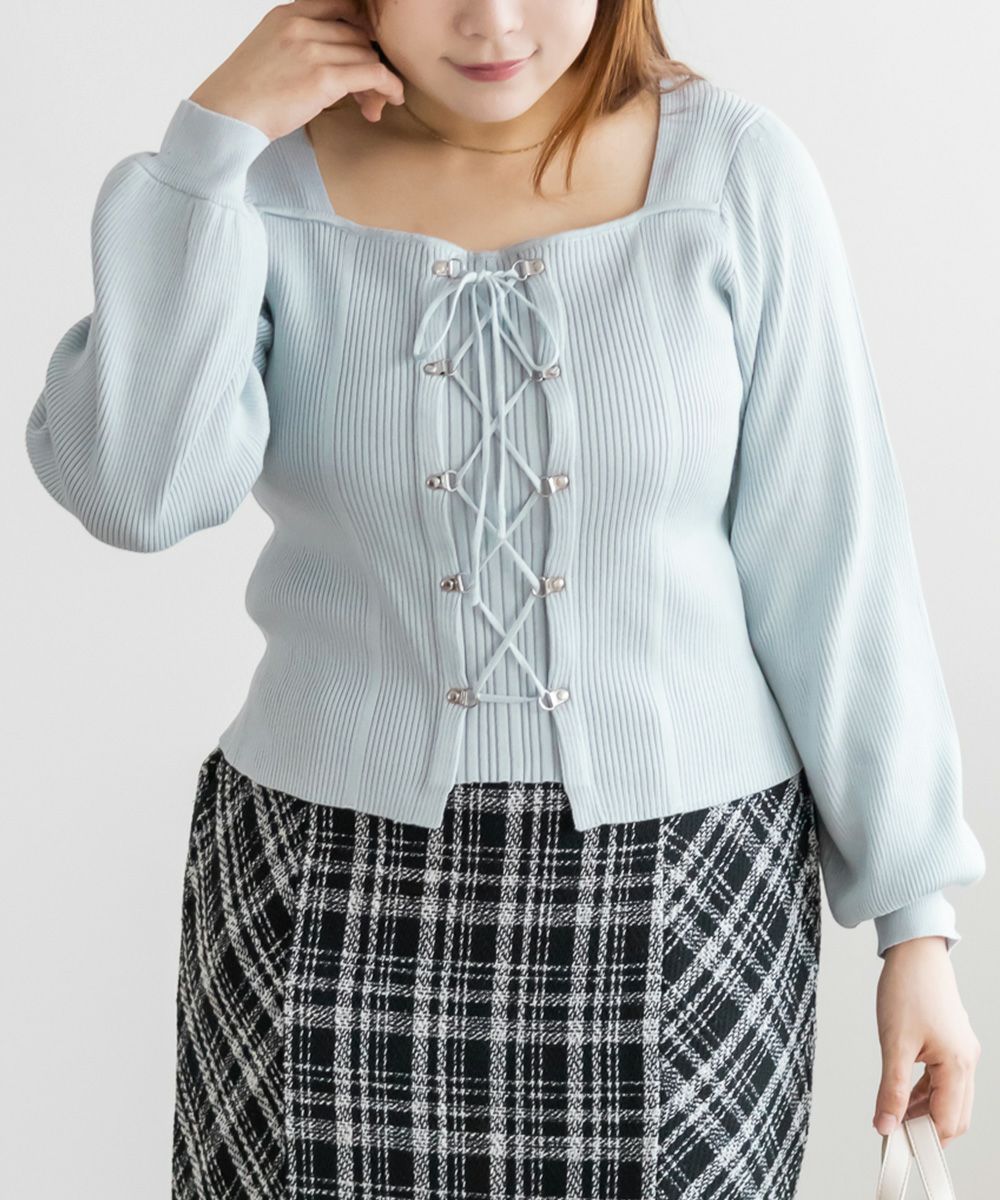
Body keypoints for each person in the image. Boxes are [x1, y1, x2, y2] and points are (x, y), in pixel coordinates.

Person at [24, 1, 986, 1196]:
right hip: (320, 892)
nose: (491, 20)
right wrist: (208, 147)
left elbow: (835, 558)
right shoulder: (262, 188)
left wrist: (914, 925)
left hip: (688, 898)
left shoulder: (733, 172)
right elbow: (139, 492)